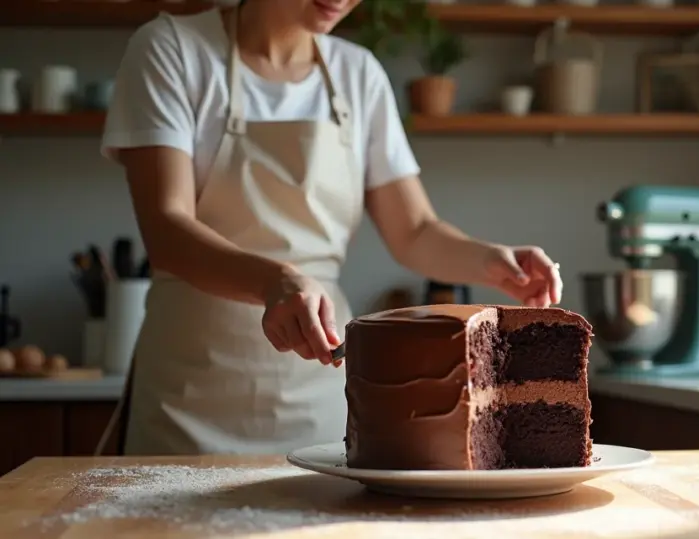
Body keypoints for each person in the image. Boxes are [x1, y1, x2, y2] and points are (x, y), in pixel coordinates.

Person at [99, 0, 563, 456]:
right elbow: (167, 229)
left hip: (319, 396)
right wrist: (275, 282)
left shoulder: (358, 75)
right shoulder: (172, 49)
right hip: (189, 401)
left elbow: (415, 230)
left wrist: (493, 261)